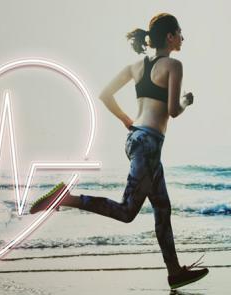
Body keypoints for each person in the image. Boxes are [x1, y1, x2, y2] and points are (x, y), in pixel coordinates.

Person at [30, 13, 208, 289]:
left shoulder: (136, 66)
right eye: (180, 33)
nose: (183, 38)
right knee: (127, 212)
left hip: (137, 140)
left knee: (162, 207)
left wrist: (127, 120)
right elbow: (172, 111)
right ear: (170, 37)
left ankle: (174, 272)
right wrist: (186, 100)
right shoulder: (174, 65)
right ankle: (65, 198)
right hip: (148, 145)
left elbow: (105, 94)